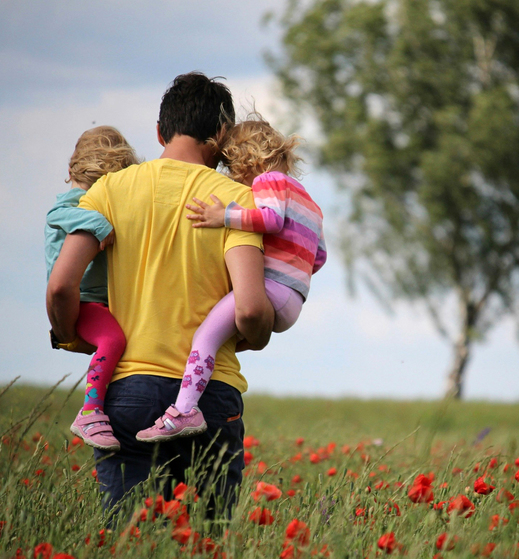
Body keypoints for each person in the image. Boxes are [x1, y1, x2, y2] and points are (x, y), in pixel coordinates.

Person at [46, 72, 275, 515]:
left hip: (127, 391)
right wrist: (260, 332)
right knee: (206, 540)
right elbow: (249, 308)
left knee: (130, 536)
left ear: (159, 131)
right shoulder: (236, 201)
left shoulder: (109, 191)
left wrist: (71, 334)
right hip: (209, 396)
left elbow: (60, 285)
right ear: (222, 134)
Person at [137, 118, 327, 442]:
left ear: (247, 160)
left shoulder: (269, 181)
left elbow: (270, 219)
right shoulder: (310, 202)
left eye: (233, 167)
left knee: (205, 337)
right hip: (294, 299)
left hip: (271, 289)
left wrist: (222, 216)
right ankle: (195, 392)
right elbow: (319, 257)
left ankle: (184, 410)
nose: (235, 178)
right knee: (223, 337)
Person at [45, 126, 138, 451]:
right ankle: (90, 411)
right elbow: (57, 214)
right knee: (113, 339)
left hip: (98, 301)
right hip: (83, 301)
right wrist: (100, 224)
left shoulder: (89, 199)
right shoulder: (75, 202)